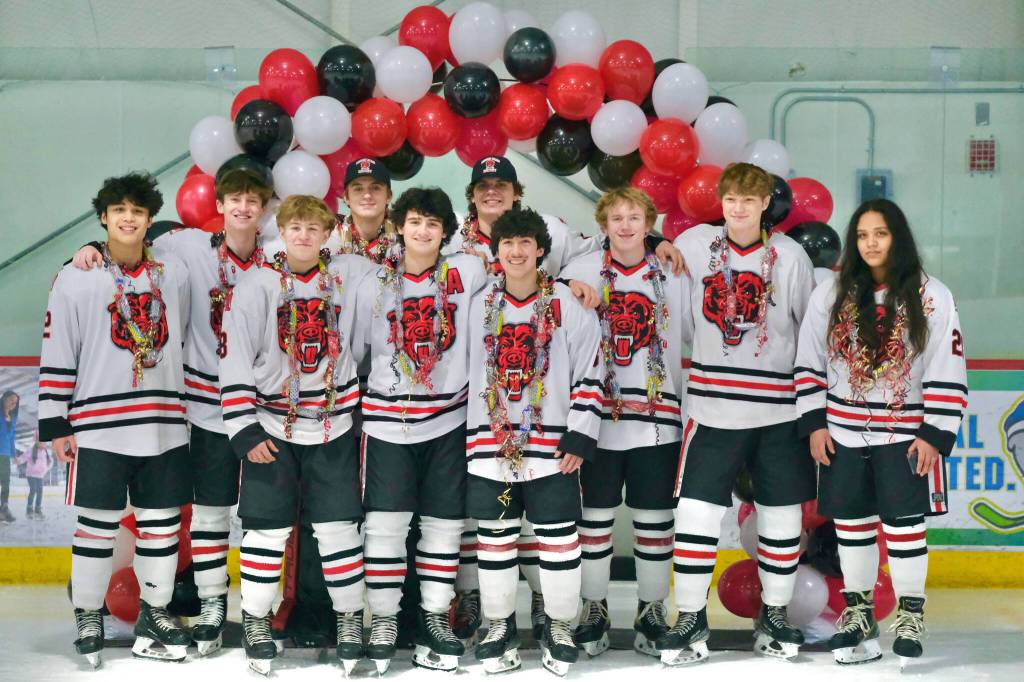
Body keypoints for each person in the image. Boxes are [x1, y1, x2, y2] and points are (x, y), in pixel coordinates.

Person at [444, 155, 683, 642]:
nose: (492, 192)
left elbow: (608, 239)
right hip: (490, 439)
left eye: (501, 184)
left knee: (580, 529)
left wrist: (653, 238)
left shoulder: (564, 274)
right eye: (483, 186)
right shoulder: (460, 266)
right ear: (472, 196)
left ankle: (570, 615)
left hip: (570, 431)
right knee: (492, 531)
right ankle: (495, 617)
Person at [71, 167, 273, 655]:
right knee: (209, 514)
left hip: (264, 413)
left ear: (265, 209)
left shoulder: (281, 254)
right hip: (205, 409)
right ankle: (213, 603)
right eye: (234, 199)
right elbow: (128, 244)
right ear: (219, 205)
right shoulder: (186, 246)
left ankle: (258, 614)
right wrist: (89, 249)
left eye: (253, 200)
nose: (243, 207)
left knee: (263, 519)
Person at [795, 199, 967, 669]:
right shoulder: (832, 294)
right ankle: (858, 613)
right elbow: (809, 361)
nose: (871, 243)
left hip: (906, 435)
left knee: (905, 527)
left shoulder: (932, 295)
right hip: (843, 432)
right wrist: (814, 422)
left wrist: (934, 433)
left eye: (881, 233)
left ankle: (911, 615)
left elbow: (948, 366)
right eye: (863, 234)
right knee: (851, 527)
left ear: (898, 238)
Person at [662, 162, 816, 664]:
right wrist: (656, 245)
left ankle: (775, 613)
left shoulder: (790, 257)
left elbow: (808, 332)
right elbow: (676, 309)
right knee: (695, 513)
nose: (739, 208)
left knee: (781, 514)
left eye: (749, 200)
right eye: (731, 199)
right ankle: (690, 615)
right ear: (721, 201)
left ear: (766, 203)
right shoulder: (694, 246)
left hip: (779, 412)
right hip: (712, 408)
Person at [39, 173, 193, 667]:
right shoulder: (76, 275)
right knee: (97, 525)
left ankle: (155, 612)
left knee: (161, 526)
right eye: (119, 210)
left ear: (149, 220)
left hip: (163, 420)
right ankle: (87, 612)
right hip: (98, 423)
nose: (129, 218)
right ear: (103, 217)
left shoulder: (172, 273)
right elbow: (58, 346)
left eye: (138, 211)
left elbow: (185, 337)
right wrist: (55, 421)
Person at [218, 194, 374, 676]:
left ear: (328, 234)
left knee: (339, 530)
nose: (303, 235)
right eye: (295, 227)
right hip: (270, 427)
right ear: (281, 233)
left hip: (332, 426)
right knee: (266, 530)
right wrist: (242, 428)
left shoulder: (349, 279)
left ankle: (349, 619)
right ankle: (256, 620)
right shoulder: (255, 286)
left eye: (313, 228)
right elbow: (234, 355)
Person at [353, 187, 488, 674]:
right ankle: (385, 619)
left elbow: (523, 279)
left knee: (444, 525)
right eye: (414, 221)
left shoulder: (467, 272)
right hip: (387, 424)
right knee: (385, 528)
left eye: (432, 223)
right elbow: (356, 353)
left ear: (445, 230)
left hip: (449, 421)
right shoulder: (373, 283)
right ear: (399, 226)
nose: (423, 230)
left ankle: (433, 617)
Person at [465, 207, 603, 676]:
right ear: (496, 250)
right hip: (492, 451)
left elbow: (591, 370)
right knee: (496, 539)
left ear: (541, 248)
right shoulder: (479, 305)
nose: (517, 251)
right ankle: (499, 626)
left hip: (553, 451)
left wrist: (580, 435)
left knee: (559, 539)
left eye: (526, 242)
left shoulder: (568, 302)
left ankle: (559, 626)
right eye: (508, 243)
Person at [559, 188, 691, 658]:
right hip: (596, 421)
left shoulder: (673, 270)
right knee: (593, 521)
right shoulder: (579, 270)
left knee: (655, 521)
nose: (626, 225)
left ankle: (651, 609)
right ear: (603, 224)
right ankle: (593, 608)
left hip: (658, 420)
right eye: (616, 217)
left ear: (649, 224)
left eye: (635, 217)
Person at [17, 430, 52, 519]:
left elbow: (50, 462)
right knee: (33, 490)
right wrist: (19, 460)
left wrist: (45, 469)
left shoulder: (46, 452)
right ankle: (29, 509)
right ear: (36, 441)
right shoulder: (31, 450)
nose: (43, 444)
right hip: (31, 474)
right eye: (40, 442)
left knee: (40, 492)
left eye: (44, 442)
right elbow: (24, 457)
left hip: (40, 476)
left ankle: (37, 509)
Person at [0, 390, 19, 522]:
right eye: (11, 399)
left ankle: (4, 508)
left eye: (15, 402)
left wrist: (14, 455)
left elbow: (12, 438)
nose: (13, 403)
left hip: (5, 454)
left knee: (6, 482)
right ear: (4, 398)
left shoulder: (12, 418)